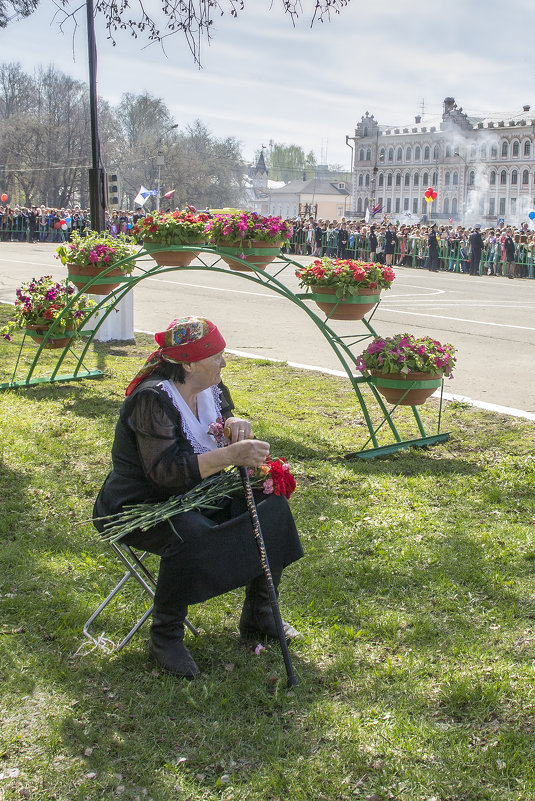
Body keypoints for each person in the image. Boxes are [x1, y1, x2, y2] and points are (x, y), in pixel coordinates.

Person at [93, 316, 303, 679]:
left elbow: (221, 423)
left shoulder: (213, 389)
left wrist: (237, 427)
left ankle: (260, 614)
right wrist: (228, 457)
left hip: (196, 493)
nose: (224, 362)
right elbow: (164, 475)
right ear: (189, 362)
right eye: (216, 355)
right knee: (188, 531)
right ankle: (165, 636)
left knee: (273, 506)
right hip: (139, 503)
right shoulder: (153, 400)